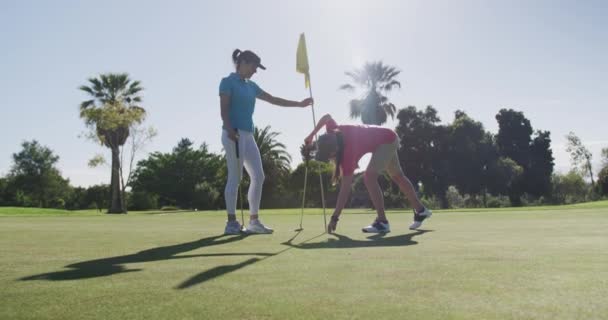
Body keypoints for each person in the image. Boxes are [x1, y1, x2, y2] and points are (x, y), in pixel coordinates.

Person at [220, 49, 313, 235]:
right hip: (233, 134)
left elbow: (273, 99)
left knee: (259, 176)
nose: (256, 71)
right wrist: (229, 129)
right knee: (235, 177)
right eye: (255, 67)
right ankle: (231, 222)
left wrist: (299, 104)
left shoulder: (252, 86)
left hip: (248, 135)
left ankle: (254, 221)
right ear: (245, 63)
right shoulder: (227, 82)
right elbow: (224, 109)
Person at [304, 114, 432, 233]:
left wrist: (335, 217)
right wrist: (311, 135)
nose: (329, 159)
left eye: (329, 156)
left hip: (386, 141)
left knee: (369, 177)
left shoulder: (348, 154)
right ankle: (421, 210)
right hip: (388, 136)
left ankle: (382, 222)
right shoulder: (333, 132)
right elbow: (327, 117)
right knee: (398, 177)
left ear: (334, 151)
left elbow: (345, 190)